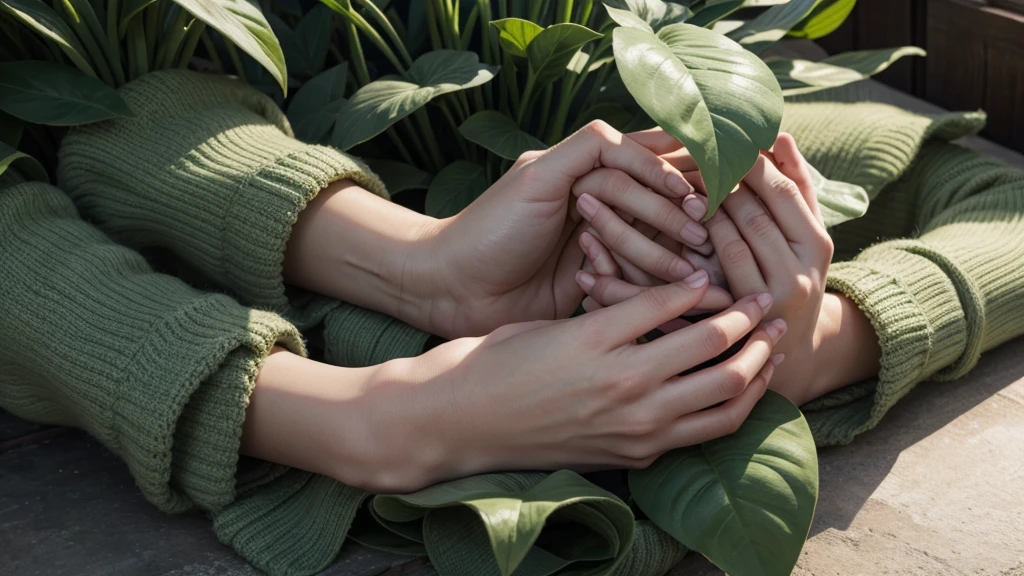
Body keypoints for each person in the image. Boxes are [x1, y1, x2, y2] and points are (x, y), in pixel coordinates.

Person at [1, 70, 1022, 574]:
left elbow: (998, 206)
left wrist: (803, 347)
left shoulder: (579, 71)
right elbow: (83, 137)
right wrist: (383, 418)